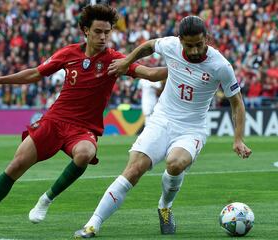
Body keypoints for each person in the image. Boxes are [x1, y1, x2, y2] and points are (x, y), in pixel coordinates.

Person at [0, 4, 167, 233]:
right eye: (98, 31)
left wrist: (182, 67)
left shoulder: (115, 60)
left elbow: (150, 73)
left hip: (83, 128)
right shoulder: (69, 53)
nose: (103, 37)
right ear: (85, 30)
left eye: (107, 32)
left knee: (85, 153)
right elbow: (36, 73)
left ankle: (47, 198)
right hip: (55, 120)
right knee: (16, 164)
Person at [74, 15, 252, 238]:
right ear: (180, 40)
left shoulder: (221, 66)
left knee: (175, 164)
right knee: (133, 170)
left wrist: (238, 139)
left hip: (192, 128)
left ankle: (165, 207)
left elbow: (237, 103)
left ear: (207, 38)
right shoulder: (170, 45)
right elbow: (148, 46)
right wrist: (127, 61)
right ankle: (93, 224)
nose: (195, 50)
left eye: (199, 44)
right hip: (162, 119)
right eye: (189, 45)